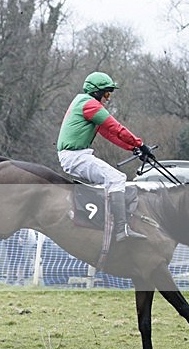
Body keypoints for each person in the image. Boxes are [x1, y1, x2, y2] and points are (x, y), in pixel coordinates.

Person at [56, 71, 152, 241]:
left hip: (75, 155)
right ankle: (121, 230)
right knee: (116, 179)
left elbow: (109, 134)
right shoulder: (90, 105)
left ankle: (109, 221)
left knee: (113, 179)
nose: (108, 98)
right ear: (96, 92)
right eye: (107, 93)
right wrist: (140, 144)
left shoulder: (83, 102)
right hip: (75, 156)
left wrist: (133, 148)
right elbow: (117, 128)